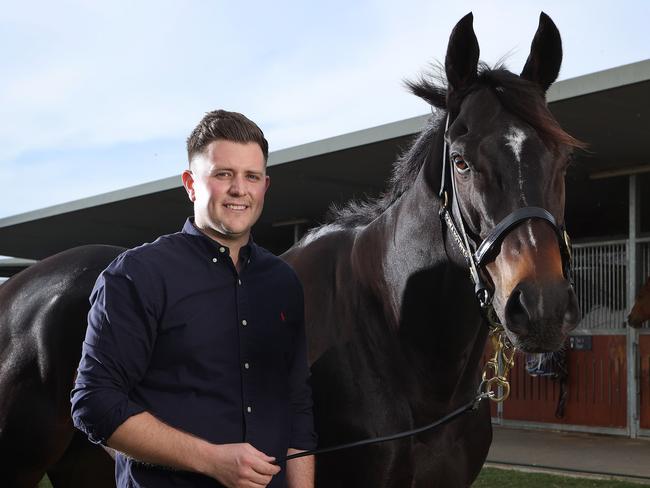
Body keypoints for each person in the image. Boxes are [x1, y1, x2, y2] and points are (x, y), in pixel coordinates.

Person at [71, 110, 317, 488]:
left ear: (265, 186)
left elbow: (297, 409)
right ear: (190, 184)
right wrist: (211, 460)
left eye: (251, 176)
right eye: (223, 174)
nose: (239, 189)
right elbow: (94, 402)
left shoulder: (283, 282)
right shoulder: (137, 275)